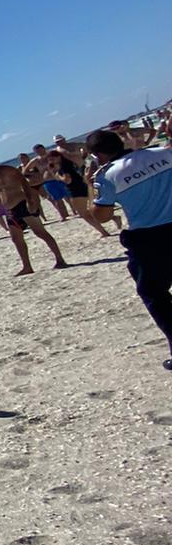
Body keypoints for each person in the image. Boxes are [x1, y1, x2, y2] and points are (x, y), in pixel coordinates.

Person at [86, 129, 172, 371]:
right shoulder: (163, 153)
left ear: (98, 155)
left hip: (150, 237)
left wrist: (91, 186)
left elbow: (102, 215)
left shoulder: (107, 175)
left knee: (153, 293)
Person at [0, 153, 67, 276]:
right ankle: (27, 267)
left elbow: (25, 184)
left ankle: (60, 260)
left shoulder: (7, 170)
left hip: (22, 204)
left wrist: (30, 202)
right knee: (16, 239)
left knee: (40, 232)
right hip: (10, 210)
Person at [47, 148, 114, 240]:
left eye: (52, 159)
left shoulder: (64, 167)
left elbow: (67, 180)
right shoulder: (68, 163)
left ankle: (104, 231)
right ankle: (112, 220)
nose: (51, 161)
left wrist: (58, 176)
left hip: (75, 190)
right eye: (50, 160)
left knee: (84, 214)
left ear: (58, 157)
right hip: (82, 186)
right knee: (89, 211)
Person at [31, 144, 72, 220]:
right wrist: (37, 174)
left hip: (59, 178)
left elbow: (63, 160)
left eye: (40, 149)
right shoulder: (36, 161)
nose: (40, 152)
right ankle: (63, 215)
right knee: (57, 199)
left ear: (44, 148)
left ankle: (75, 211)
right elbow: (25, 171)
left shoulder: (51, 155)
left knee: (68, 196)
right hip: (48, 181)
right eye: (37, 151)